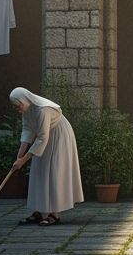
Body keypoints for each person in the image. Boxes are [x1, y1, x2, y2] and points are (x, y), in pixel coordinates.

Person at [9, 87, 83, 226]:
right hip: (45, 137)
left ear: (24, 100)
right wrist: (19, 155)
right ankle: (39, 211)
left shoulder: (43, 110)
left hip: (58, 135)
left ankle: (54, 213)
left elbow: (42, 138)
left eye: (18, 105)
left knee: (54, 171)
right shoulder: (26, 110)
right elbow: (27, 130)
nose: (17, 109)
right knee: (39, 170)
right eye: (15, 107)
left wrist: (23, 161)